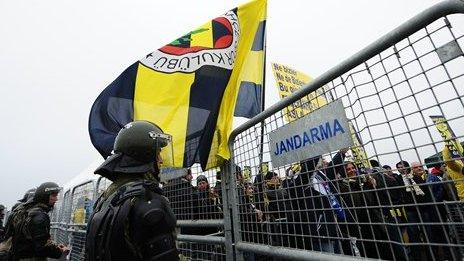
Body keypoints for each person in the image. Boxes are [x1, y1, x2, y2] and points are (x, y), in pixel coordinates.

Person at [85, 120, 179, 261]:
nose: (161, 160)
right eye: (158, 153)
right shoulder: (149, 199)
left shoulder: (108, 196)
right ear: (144, 154)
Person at [9, 182, 69, 260]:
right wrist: (60, 251)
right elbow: (42, 247)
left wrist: (55, 247)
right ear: (45, 196)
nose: (56, 199)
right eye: (54, 195)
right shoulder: (40, 216)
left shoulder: (27, 211)